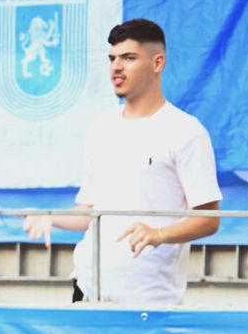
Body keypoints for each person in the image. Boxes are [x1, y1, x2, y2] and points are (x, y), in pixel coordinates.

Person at [23, 18, 221, 306]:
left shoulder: (186, 131)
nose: (116, 67)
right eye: (112, 58)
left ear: (157, 63)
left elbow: (209, 218)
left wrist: (159, 234)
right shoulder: (102, 127)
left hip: (149, 299)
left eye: (129, 58)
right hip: (88, 289)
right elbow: (89, 212)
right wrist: (50, 216)